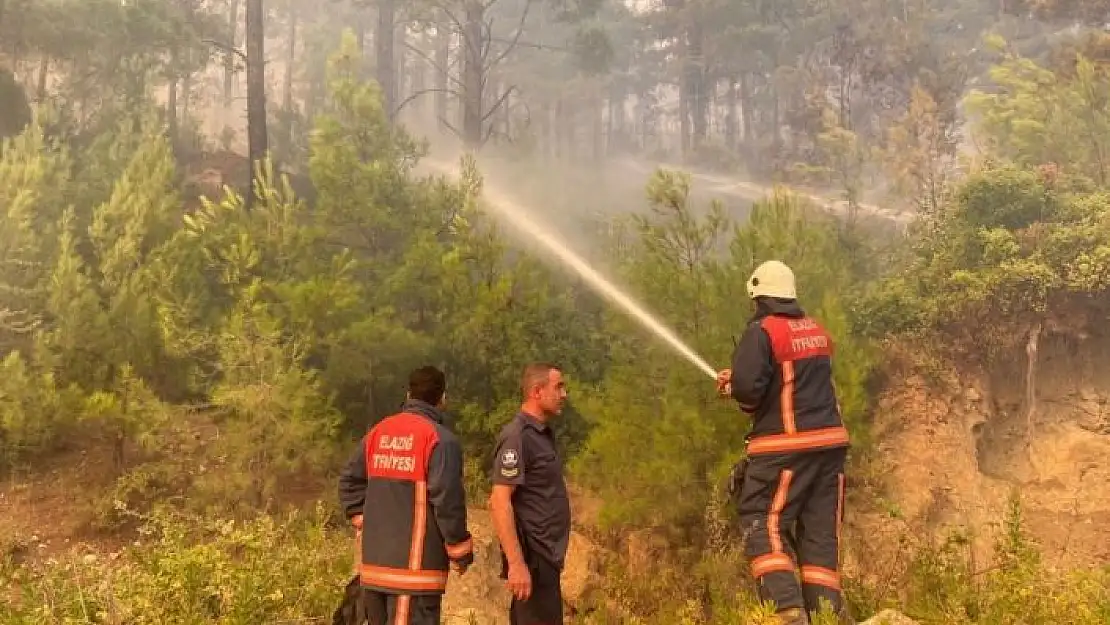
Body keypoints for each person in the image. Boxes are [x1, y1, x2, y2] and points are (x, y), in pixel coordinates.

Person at [716, 260, 852, 625]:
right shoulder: (816, 331)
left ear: (759, 297)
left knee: (761, 518)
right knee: (820, 536)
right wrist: (744, 379)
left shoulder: (762, 330)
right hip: (830, 448)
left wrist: (735, 386)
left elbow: (749, 393)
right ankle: (826, 616)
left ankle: (788, 609)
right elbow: (796, 380)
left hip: (785, 450)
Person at [338, 365, 474, 625]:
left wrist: (362, 520)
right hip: (414, 577)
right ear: (442, 398)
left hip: (373, 572)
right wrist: (460, 551)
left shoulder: (378, 432)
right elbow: (447, 501)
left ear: (409, 394)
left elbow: (349, 481)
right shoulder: (439, 440)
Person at [489, 362, 572, 625]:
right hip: (532, 562)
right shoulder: (518, 437)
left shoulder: (542, 434)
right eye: (558, 386)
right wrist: (516, 564)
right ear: (537, 392)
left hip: (547, 562)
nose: (564, 394)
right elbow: (499, 500)